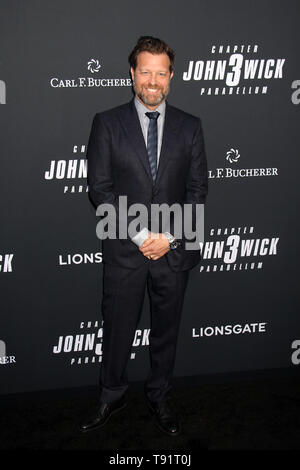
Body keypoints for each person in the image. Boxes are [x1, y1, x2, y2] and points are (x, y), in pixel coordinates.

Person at [81, 36, 208, 436]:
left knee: (166, 330)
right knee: (117, 327)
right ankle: (111, 396)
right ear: (133, 73)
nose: (153, 81)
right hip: (124, 249)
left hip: (174, 250)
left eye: (161, 73)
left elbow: (197, 190)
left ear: (171, 76)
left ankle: (160, 395)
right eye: (145, 72)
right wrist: (139, 235)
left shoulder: (191, 126)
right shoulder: (107, 122)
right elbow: (99, 190)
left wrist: (169, 235)